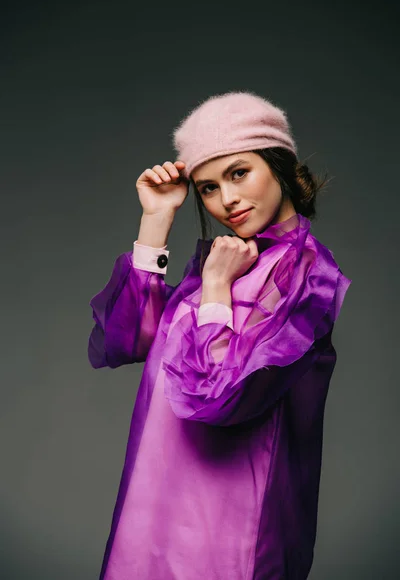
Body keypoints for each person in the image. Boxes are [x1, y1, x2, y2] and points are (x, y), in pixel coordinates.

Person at [88, 91, 351, 580]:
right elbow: (132, 340)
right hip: (155, 499)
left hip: (231, 518)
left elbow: (223, 393)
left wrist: (215, 287)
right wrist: (156, 220)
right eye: (208, 187)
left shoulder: (304, 273)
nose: (225, 199)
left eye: (238, 173)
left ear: (281, 167)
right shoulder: (230, 258)